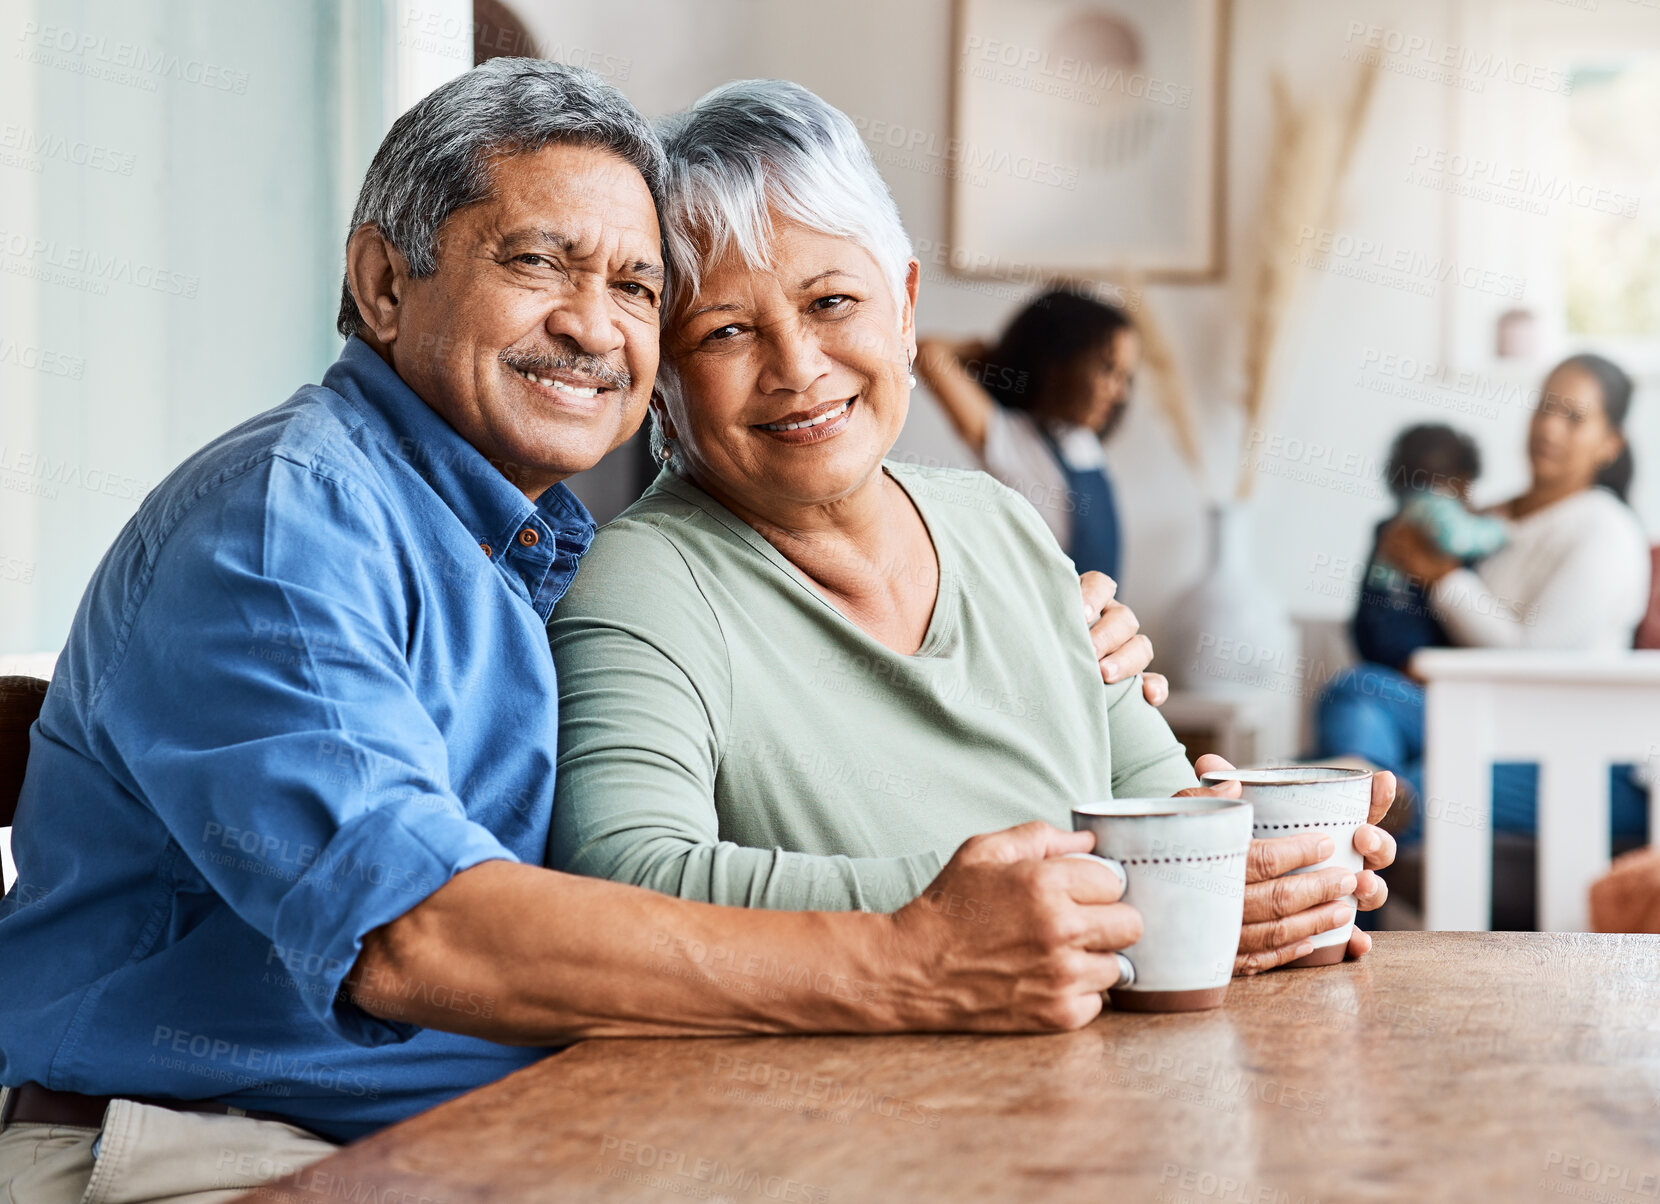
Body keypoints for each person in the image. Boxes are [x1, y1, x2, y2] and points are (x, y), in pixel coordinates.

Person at [0, 61, 1173, 1201]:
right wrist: (913, 962)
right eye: (537, 262)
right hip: (211, 1154)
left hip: (498, 1136)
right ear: (383, 281)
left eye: (634, 287)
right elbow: (418, 935)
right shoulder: (286, 519)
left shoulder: (513, 541)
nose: (591, 325)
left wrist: (1069, 655)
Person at [547, 80, 1396, 973]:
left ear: (905, 308)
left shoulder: (1001, 524)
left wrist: (1263, 872)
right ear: (660, 384)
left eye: (832, 302)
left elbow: (1160, 805)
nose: (796, 367)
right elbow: (622, 879)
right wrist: (1009, 907)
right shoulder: (643, 581)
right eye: (723, 332)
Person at [1317, 355, 1650, 860]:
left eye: (1574, 418)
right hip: (1482, 721)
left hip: (1565, 745)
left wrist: (1442, 577)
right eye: (1544, 408)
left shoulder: (1605, 529)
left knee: (1378, 785)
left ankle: (1361, 792)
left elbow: (1532, 656)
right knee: (1357, 695)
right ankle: (1362, 783)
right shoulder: (1488, 519)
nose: (1549, 427)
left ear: (1610, 443)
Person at [915, 291, 1135, 582]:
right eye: (1107, 369)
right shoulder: (1011, 438)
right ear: (1061, 360)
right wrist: (988, 354)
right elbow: (930, 353)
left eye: (1126, 376)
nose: (1121, 393)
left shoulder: (1082, 441)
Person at [1352, 423, 1508, 674]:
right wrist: (1499, 528)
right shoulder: (1436, 505)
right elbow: (1460, 539)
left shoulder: (1400, 515)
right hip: (1405, 619)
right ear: (1460, 479)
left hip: (1373, 623)